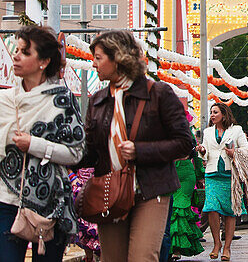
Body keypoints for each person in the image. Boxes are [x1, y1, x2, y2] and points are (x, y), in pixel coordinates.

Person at [81, 30, 195, 262]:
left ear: (118, 58)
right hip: (110, 192)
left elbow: (185, 143)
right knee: (112, 259)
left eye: (98, 57)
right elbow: (90, 151)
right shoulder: (98, 100)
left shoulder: (159, 94)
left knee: (143, 257)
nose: (94, 64)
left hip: (151, 190)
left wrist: (140, 150)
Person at [0, 26, 83, 262]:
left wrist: (34, 144)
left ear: (43, 61)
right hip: (6, 199)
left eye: (25, 52)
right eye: (16, 50)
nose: (16, 56)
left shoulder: (61, 100)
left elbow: (75, 153)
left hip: (50, 204)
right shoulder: (5, 100)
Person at [197, 103, 248, 262]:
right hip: (212, 174)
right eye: (211, 112)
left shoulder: (236, 130)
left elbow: (247, 151)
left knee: (230, 212)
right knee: (211, 208)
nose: (212, 115)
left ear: (224, 114)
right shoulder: (208, 132)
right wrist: (202, 151)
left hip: (230, 175)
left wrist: (234, 152)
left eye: (215, 112)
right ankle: (216, 243)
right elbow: (206, 153)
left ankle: (227, 247)